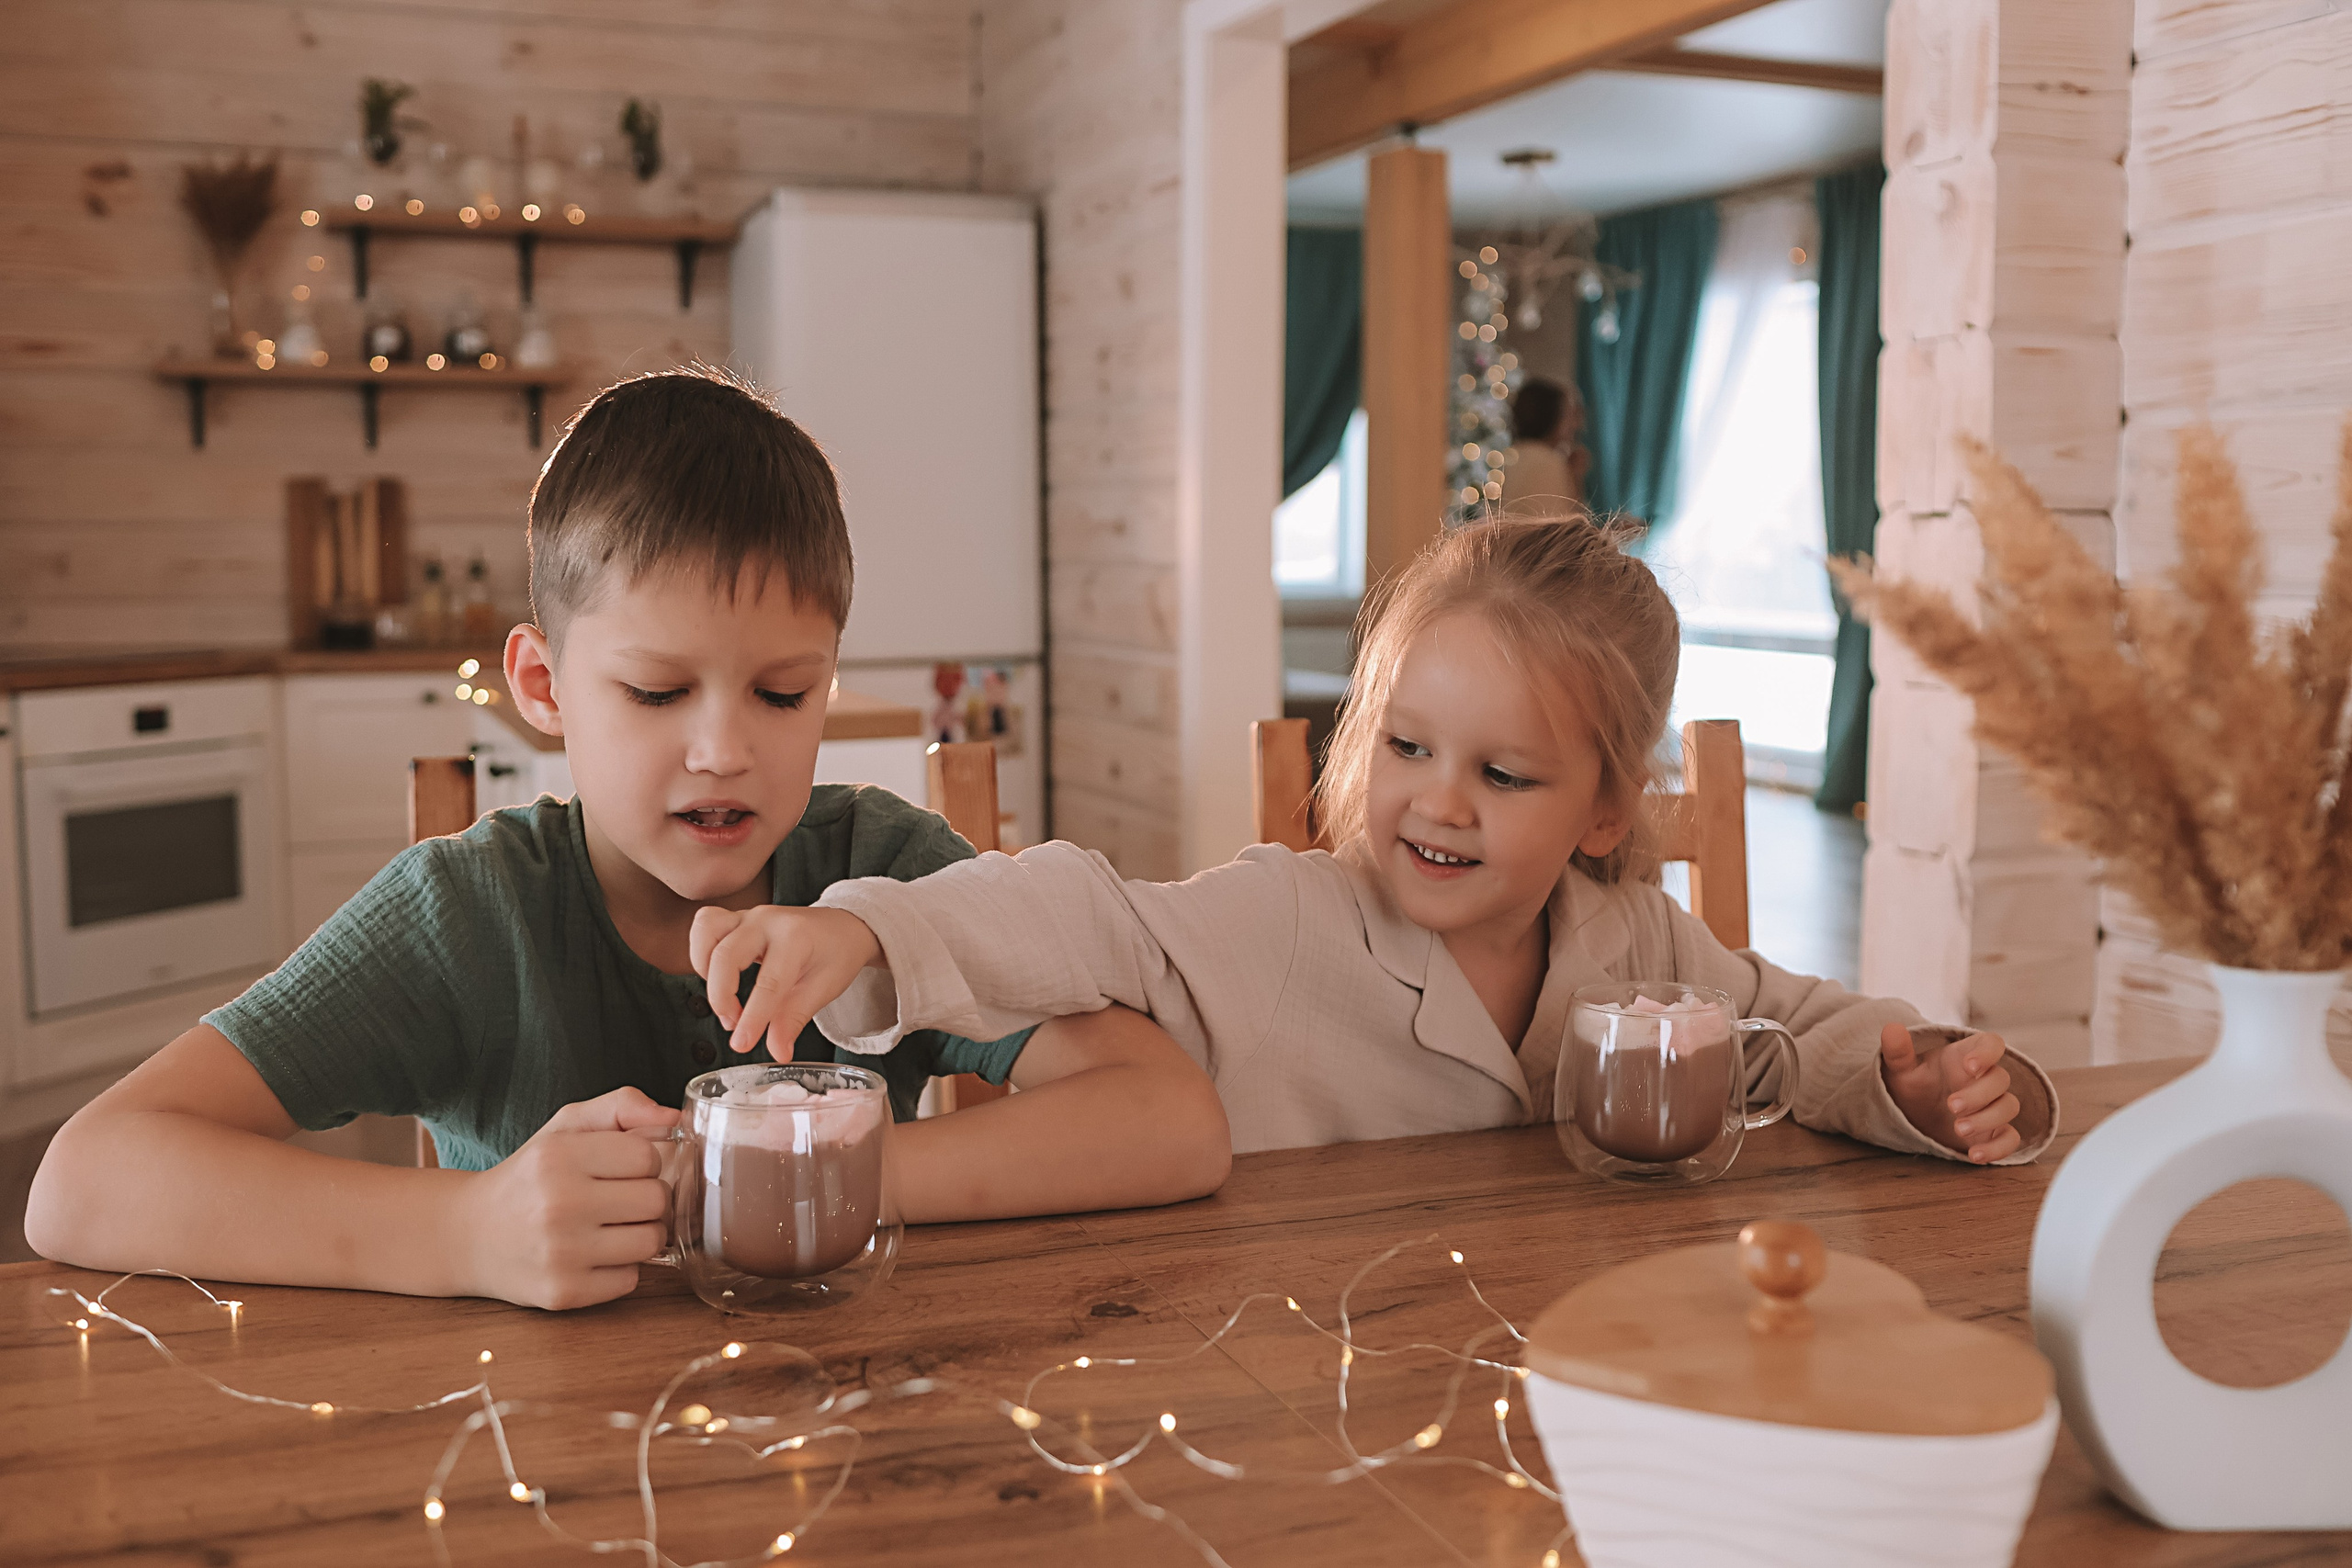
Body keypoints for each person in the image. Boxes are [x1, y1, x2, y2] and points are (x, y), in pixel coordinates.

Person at [26, 368, 1229, 1310]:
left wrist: (820, 1177)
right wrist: (466, 1231)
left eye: (782, 691)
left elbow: (1169, 1116)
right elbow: (85, 1178)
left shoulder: (882, 876)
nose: (723, 750)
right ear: (543, 684)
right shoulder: (466, 914)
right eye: (657, 694)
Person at [683, 514, 2056, 1164]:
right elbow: (1080, 911)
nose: (1437, 801)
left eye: (1503, 772)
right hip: (1296, 1357)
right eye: (1406, 747)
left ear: (1603, 810)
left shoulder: (1637, 946)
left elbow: (1797, 1031)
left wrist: (1909, 1081)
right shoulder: (1291, 921)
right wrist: (866, 930)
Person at [1506, 377, 1589, 508]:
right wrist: (1574, 479)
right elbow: (1564, 524)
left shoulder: (1514, 455)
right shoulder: (1548, 462)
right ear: (1552, 416)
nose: (1577, 425)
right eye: (1569, 415)